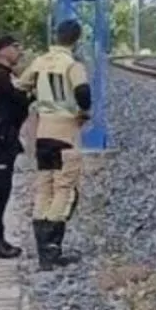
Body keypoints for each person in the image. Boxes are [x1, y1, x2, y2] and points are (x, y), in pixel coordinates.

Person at [18, 20, 91, 271]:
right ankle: (52, 250)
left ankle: (41, 251)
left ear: (56, 36)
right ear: (76, 39)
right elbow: (83, 94)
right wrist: (82, 113)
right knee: (64, 190)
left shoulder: (39, 62)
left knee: (44, 188)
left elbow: (21, 87)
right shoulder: (73, 65)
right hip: (65, 134)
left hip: (43, 134)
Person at [0, 35, 31, 259]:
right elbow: (18, 101)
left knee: (3, 190)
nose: (19, 51)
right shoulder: (0, 78)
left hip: (5, 139)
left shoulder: (5, 77)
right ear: (2, 51)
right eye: (15, 47)